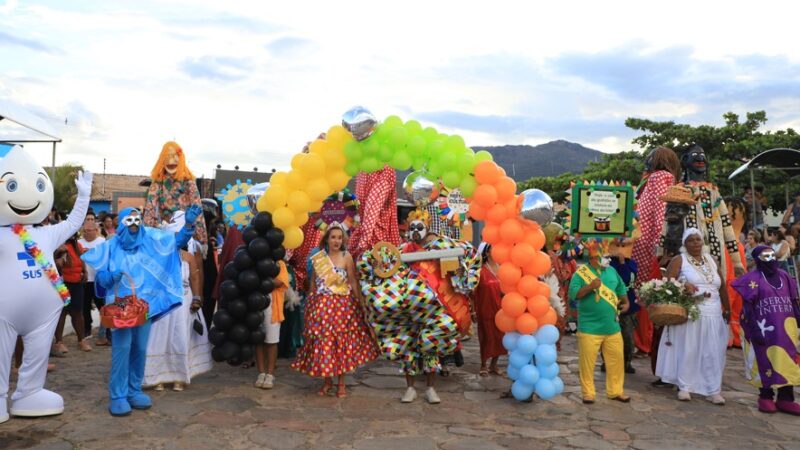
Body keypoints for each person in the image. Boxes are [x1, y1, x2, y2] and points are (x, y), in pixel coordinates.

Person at [0, 146, 92, 423]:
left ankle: (29, 392)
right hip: (5, 312)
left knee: (38, 354)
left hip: (44, 313)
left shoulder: (47, 233)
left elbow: (75, 221)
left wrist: (85, 195)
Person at [82, 205, 201, 416]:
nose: (135, 225)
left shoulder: (150, 239)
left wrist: (189, 224)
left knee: (140, 348)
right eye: (129, 221)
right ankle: (118, 395)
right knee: (122, 348)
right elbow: (100, 279)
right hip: (118, 308)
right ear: (121, 224)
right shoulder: (110, 246)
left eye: (137, 220)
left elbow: (176, 242)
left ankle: (133, 390)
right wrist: (109, 277)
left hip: (142, 307)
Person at [291, 223, 378, 398]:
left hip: (342, 306)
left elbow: (353, 281)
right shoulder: (319, 258)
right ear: (327, 239)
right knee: (325, 345)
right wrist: (311, 304)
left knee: (340, 345)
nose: (336, 241)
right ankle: (327, 382)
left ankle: (341, 384)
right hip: (322, 307)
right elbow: (314, 283)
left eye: (339, 237)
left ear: (343, 239)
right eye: (333, 237)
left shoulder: (347, 257)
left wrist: (360, 302)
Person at [656, 228, 730, 404]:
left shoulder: (712, 260)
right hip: (691, 312)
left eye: (698, 239)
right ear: (685, 243)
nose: (696, 243)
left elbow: (722, 286)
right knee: (689, 349)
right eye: (691, 240)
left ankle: (713, 389)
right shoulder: (679, 260)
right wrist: (683, 285)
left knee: (713, 352)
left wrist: (727, 308)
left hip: (713, 312)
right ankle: (685, 387)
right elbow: (667, 283)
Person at [143, 211, 212, 392]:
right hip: (163, 302)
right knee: (158, 338)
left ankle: (179, 377)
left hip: (183, 302)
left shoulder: (188, 257)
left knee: (180, 337)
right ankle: (156, 377)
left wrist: (197, 298)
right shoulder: (158, 256)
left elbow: (195, 279)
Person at [732, 245, 800, 415]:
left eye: (772, 255)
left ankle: (786, 398)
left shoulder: (785, 276)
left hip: (786, 328)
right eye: (765, 256)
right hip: (763, 328)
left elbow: (794, 301)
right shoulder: (753, 278)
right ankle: (766, 396)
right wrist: (753, 328)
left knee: (787, 360)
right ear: (757, 259)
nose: (770, 259)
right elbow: (748, 305)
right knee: (764, 359)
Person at [631, 146, 680, 355]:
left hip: (645, 244)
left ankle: (642, 340)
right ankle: (644, 341)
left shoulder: (656, 177)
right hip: (649, 244)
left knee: (643, 293)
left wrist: (661, 245)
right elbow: (662, 211)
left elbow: (660, 211)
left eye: (652, 157)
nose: (648, 160)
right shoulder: (661, 177)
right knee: (646, 294)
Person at [568, 240, 631, 404]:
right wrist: (589, 287)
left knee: (616, 361)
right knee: (587, 363)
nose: (606, 258)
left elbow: (621, 290)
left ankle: (616, 391)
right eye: (602, 255)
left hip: (612, 326)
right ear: (593, 256)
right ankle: (588, 393)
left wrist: (626, 303)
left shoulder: (612, 271)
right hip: (589, 327)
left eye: (607, 255)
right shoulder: (581, 273)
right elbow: (574, 295)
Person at [254, 258, 290, 389]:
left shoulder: (279, 263)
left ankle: (270, 374)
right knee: (258, 339)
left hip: (273, 306)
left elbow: (281, 281)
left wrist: (259, 282)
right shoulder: (254, 258)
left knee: (271, 340)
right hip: (255, 304)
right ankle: (261, 373)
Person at [53, 234, 91, 353]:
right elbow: (56, 264)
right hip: (62, 284)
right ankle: (59, 342)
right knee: (62, 313)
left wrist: (84, 272)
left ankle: (81, 340)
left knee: (78, 313)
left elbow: (82, 260)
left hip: (77, 284)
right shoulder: (57, 245)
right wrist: (58, 254)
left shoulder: (77, 245)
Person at [472, 244, 506, 377]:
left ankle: (494, 365)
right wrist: (473, 311)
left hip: (502, 309)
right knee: (486, 337)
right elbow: (472, 293)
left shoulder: (503, 269)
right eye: (493, 249)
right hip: (485, 308)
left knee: (500, 337)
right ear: (486, 253)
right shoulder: (480, 271)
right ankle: (483, 365)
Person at [608, 243, 638, 374]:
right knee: (610, 335)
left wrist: (623, 263)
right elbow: (618, 279)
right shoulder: (609, 263)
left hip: (629, 303)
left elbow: (628, 280)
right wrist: (620, 263)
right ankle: (608, 362)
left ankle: (627, 362)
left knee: (627, 335)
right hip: (611, 303)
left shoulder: (632, 263)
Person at [79, 211, 108, 344]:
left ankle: (105, 332)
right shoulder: (79, 242)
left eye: (90, 230)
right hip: (84, 280)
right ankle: (87, 329)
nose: (87, 233)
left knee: (102, 306)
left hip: (98, 280)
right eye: (85, 230)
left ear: (96, 230)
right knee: (85, 307)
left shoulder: (102, 241)